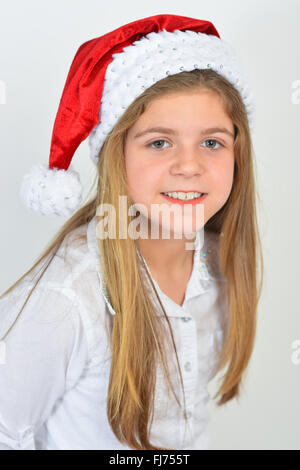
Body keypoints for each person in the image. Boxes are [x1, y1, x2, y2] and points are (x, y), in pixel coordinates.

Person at [0, 13, 264, 450]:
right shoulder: (66, 299)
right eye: (159, 142)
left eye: (212, 142)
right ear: (115, 157)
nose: (189, 165)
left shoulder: (218, 263)